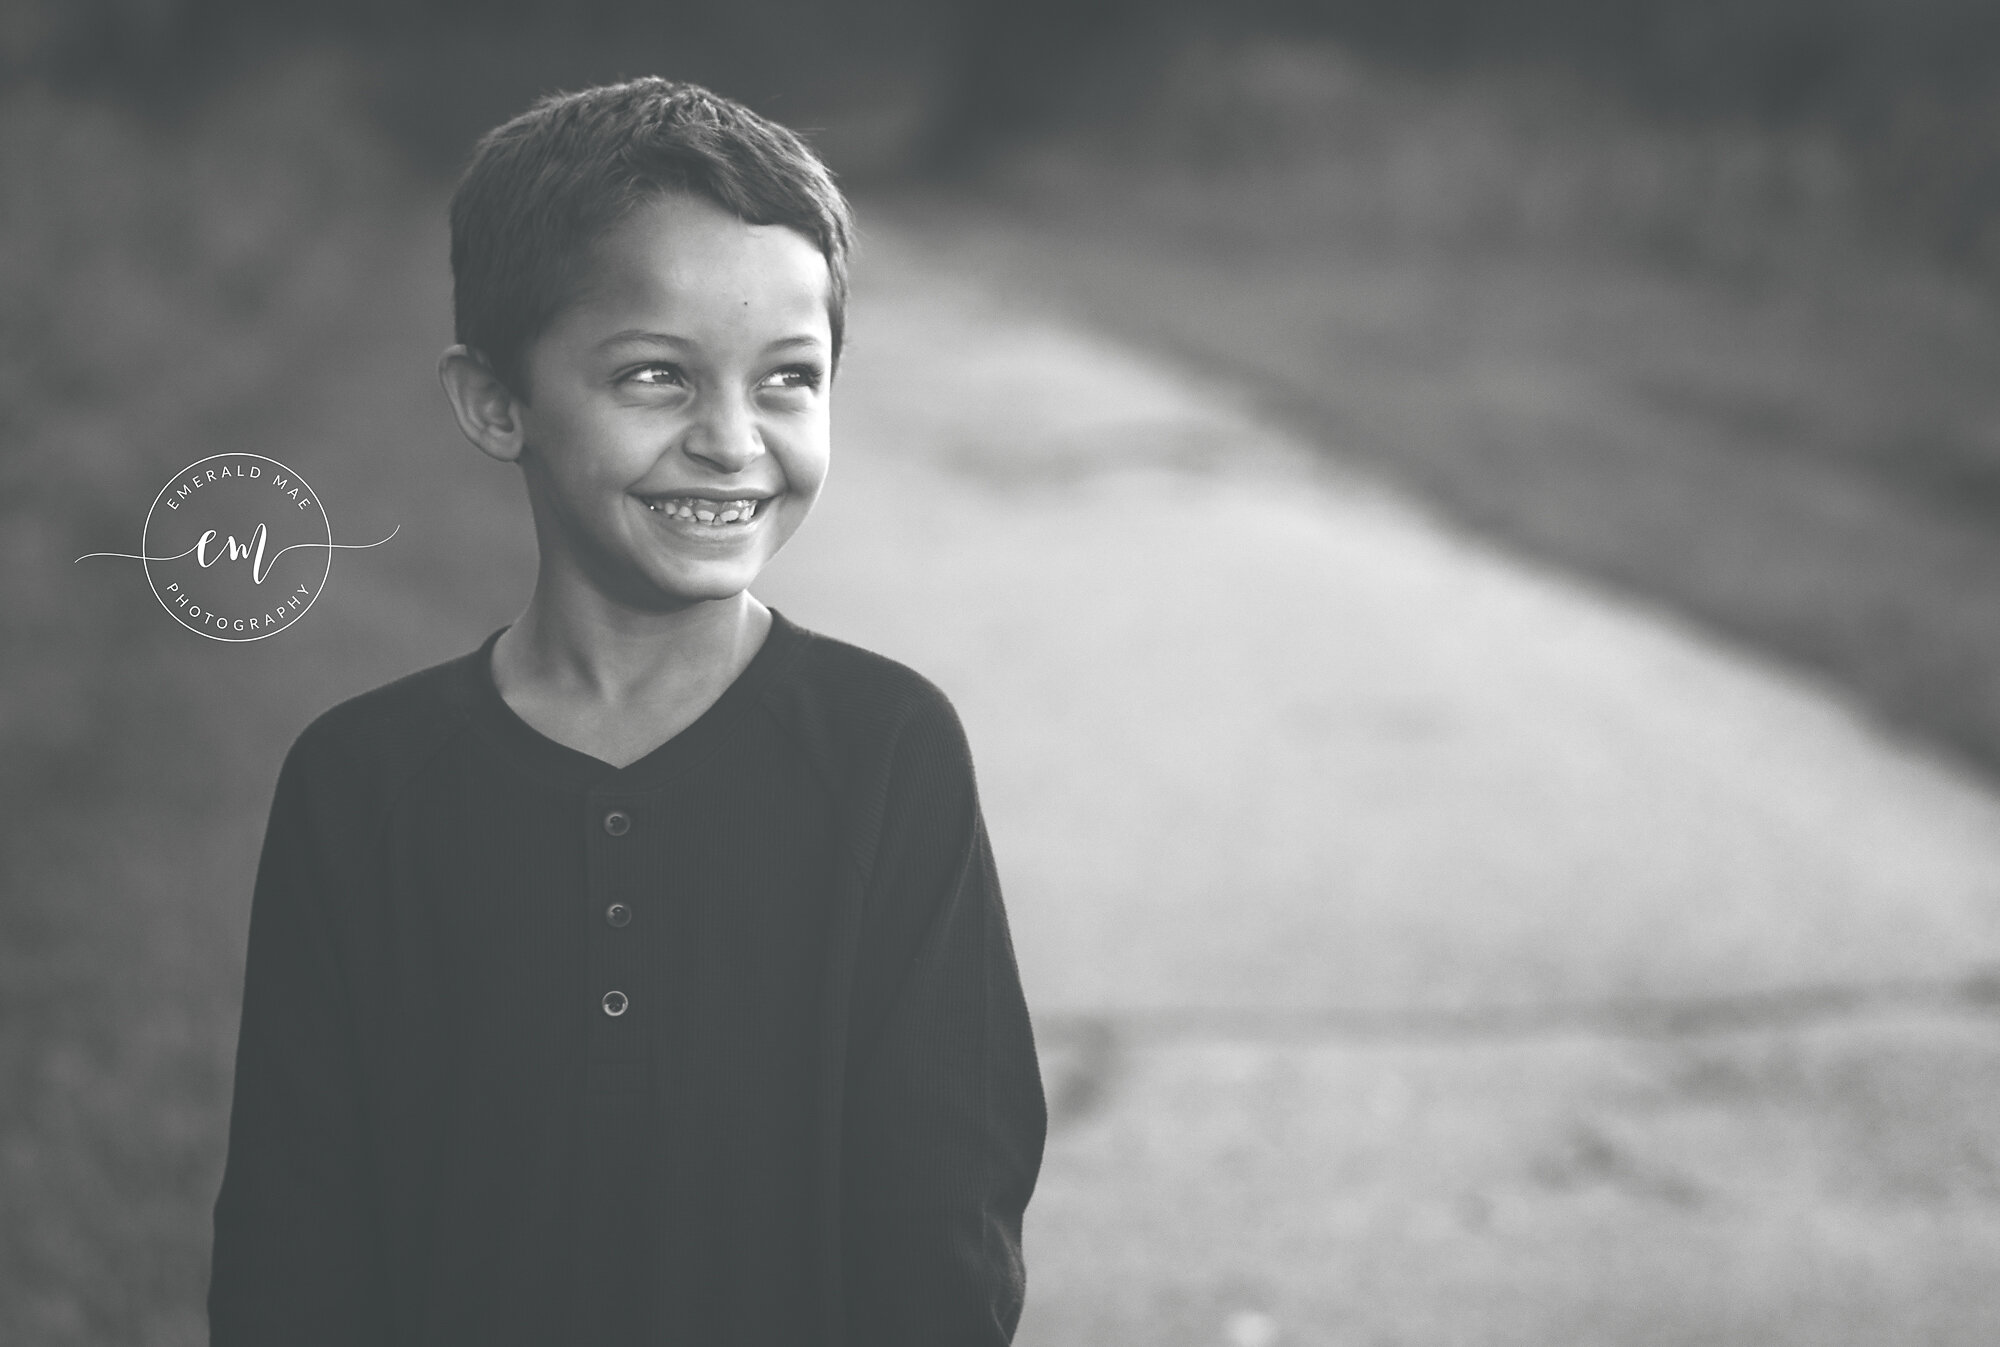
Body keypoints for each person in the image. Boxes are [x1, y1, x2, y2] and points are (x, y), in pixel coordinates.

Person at [208, 77, 1045, 1346]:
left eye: (786, 380)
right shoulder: (361, 785)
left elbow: (945, 1220)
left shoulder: (885, 752)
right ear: (497, 403)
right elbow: (294, 1236)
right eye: (656, 377)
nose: (730, 439)